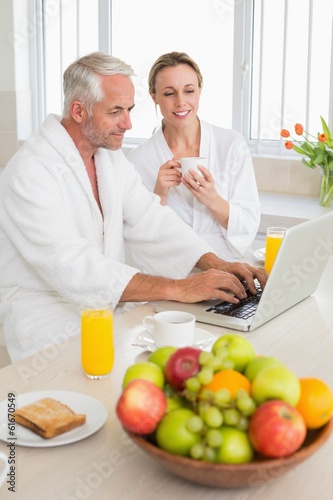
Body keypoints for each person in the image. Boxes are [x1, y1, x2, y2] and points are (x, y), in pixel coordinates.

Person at [0, 52, 266, 362]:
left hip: (106, 316)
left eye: (129, 109)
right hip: (48, 329)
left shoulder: (109, 158)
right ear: (78, 111)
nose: (128, 123)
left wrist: (215, 263)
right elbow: (73, 265)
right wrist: (181, 288)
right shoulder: (30, 171)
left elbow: (151, 219)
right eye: (116, 111)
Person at [128, 51, 260, 261]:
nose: (181, 102)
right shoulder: (139, 161)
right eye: (169, 94)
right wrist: (159, 195)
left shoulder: (231, 145)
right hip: (174, 271)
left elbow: (249, 223)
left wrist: (213, 200)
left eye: (189, 91)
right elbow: (141, 238)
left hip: (229, 266)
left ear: (199, 90)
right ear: (154, 96)